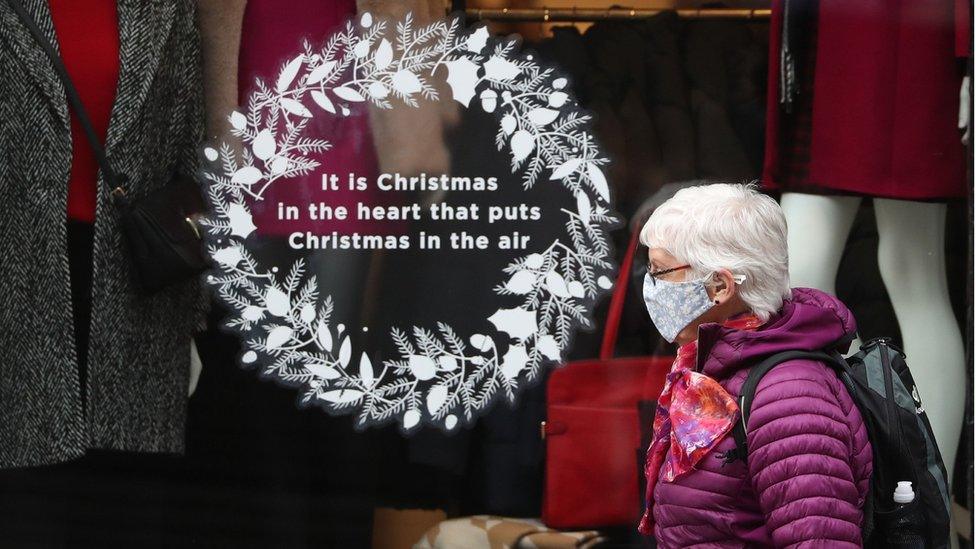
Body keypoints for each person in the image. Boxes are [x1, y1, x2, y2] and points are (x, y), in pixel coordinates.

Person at [636, 183, 872, 547]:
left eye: (661, 271)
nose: (651, 286)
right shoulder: (716, 365)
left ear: (719, 287)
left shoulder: (791, 399)